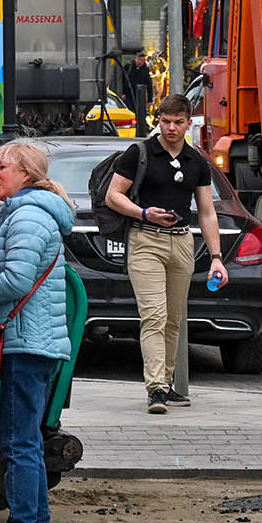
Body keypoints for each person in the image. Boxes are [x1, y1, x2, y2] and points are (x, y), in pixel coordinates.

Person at [0, 140, 73, 523]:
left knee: (17, 441)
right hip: (37, 339)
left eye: (3, 168)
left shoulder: (29, 215)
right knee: (27, 437)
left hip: (27, 340)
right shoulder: (29, 211)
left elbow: (14, 280)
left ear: (26, 174)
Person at [103, 94, 227, 413]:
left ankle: (167, 382)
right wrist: (143, 214)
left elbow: (207, 211)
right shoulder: (139, 153)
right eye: (165, 121)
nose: (171, 128)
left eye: (178, 122)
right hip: (146, 240)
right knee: (154, 315)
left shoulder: (196, 160)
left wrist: (216, 257)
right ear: (158, 120)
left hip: (182, 241)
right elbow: (113, 196)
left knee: (173, 319)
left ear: (188, 123)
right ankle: (156, 387)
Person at [123, 52, 153, 124]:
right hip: (128, 95)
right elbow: (123, 81)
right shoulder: (128, 68)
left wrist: (149, 100)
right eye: (139, 60)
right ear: (136, 59)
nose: (140, 62)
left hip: (140, 95)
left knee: (139, 113)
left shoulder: (145, 70)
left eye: (142, 61)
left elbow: (149, 85)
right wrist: (123, 92)